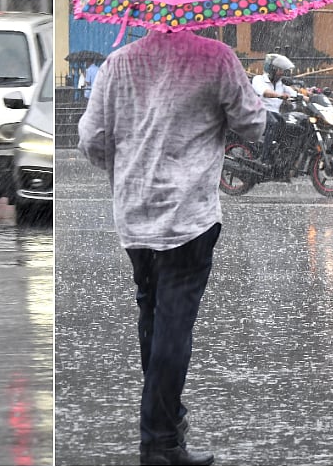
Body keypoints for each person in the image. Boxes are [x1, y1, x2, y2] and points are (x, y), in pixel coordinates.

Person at [78, 30, 266, 466]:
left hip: (135, 215)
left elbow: (92, 141)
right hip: (188, 217)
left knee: (153, 314)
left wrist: (130, 163)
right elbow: (253, 123)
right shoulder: (216, 58)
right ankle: (159, 440)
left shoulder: (117, 64)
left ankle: (168, 419)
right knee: (173, 326)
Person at [250, 53, 296, 164]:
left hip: (275, 114)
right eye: (279, 70)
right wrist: (280, 96)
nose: (282, 73)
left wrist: (309, 96)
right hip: (258, 113)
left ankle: (281, 158)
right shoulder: (258, 79)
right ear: (271, 69)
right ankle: (263, 158)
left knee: (289, 126)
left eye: (282, 70)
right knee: (273, 123)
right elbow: (265, 93)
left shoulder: (281, 84)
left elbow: (294, 93)